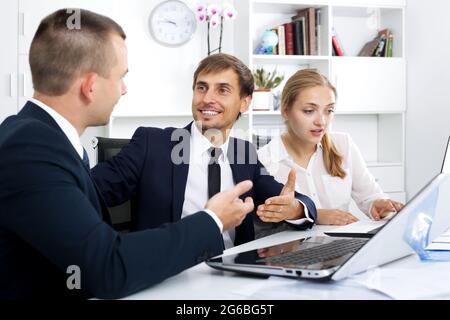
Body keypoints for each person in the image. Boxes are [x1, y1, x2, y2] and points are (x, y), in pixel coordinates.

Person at [0, 9, 255, 299]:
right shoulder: (31, 146)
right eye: (120, 77)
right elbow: (107, 267)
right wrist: (213, 219)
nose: (123, 89)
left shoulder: (39, 138)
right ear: (91, 85)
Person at [92, 53, 317, 247]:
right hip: (168, 276)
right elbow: (85, 189)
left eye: (222, 90)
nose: (207, 99)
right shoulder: (153, 144)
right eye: (202, 88)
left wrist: (295, 208)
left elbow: (291, 200)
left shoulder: (244, 153)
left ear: (244, 103)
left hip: (234, 275)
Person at [257, 69, 404, 225]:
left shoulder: (343, 144)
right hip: (293, 248)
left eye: (329, 110)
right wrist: (316, 215)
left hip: (342, 245)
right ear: (285, 111)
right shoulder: (265, 159)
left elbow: (369, 195)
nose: (321, 121)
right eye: (309, 111)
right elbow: (265, 224)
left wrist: (377, 204)